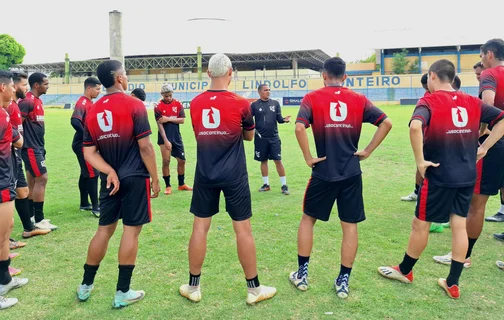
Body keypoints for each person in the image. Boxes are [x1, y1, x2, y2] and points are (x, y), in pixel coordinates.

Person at [378, 59, 504, 299]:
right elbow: (501, 120)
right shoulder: (472, 102)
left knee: (420, 224)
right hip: (467, 175)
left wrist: (420, 161)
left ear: (433, 76)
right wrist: (485, 147)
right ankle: (452, 283)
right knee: (458, 225)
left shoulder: (428, 101)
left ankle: (405, 270)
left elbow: (415, 127)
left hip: (439, 175)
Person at [289, 57, 392, 299]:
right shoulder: (358, 98)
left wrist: (307, 157)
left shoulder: (312, 98)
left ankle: (302, 274)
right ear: (345, 77)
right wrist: (367, 151)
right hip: (351, 172)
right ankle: (343, 280)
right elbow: (386, 123)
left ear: (324, 75)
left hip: (323, 170)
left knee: (308, 220)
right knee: (350, 226)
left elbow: (298, 127)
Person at [180, 53, 276, 305]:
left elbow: (199, 134)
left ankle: (193, 286)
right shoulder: (241, 103)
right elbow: (248, 136)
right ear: (230, 73)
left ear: (208, 73)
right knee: (243, 230)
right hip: (234, 175)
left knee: (200, 228)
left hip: (205, 173)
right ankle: (254, 289)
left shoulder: (197, 103)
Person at [75, 60, 160, 308]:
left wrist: (109, 170)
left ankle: (85, 286)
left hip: (109, 180)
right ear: (120, 78)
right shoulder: (135, 105)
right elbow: (145, 147)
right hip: (135, 177)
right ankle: (122, 291)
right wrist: (155, 178)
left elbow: (88, 152)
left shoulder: (91, 110)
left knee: (104, 229)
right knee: (131, 230)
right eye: (125, 74)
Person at [434, 39, 504, 267]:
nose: (481, 60)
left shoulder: (490, 74)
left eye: (482, 55)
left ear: (490, 54)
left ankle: (464, 256)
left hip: (497, 144)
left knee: (477, 203)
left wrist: (482, 141)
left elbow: (488, 107)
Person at [0, 70, 28, 310]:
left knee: (5, 232)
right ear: (2, 87)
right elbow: (18, 141)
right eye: (12, 87)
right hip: (0, 181)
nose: (15, 91)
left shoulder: (3, 112)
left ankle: (5, 280)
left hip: (6, 179)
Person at [18, 72, 57, 231]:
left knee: (33, 181)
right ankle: (39, 220)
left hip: (38, 147)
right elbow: (17, 126)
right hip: (31, 148)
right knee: (42, 178)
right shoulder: (27, 101)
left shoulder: (37, 101)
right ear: (36, 85)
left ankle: (33, 216)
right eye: (46, 84)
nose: (48, 86)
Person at [251, 84, 291, 194]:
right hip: (260, 139)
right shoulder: (254, 105)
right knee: (263, 160)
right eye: (265, 90)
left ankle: (284, 185)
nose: (268, 92)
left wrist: (284, 119)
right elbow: (248, 120)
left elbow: (279, 119)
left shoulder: (275, 103)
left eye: (269, 90)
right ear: (259, 92)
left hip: (274, 138)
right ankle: (266, 184)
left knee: (278, 160)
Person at [71, 77, 101, 217]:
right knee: (92, 173)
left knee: (86, 173)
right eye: (97, 89)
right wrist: (87, 136)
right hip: (82, 144)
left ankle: (84, 203)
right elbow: (75, 121)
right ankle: (96, 207)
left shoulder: (90, 102)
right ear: (89, 88)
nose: (99, 92)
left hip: (84, 144)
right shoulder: (82, 102)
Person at [154, 84, 192, 195]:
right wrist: (166, 140)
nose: (169, 98)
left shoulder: (178, 104)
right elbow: (160, 124)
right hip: (164, 137)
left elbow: (182, 120)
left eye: (170, 95)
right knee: (166, 161)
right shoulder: (158, 106)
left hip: (176, 137)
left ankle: (181, 184)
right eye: (166, 96)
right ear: (162, 95)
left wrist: (168, 119)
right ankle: (168, 186)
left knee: (182, 160)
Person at [401, 74, 430, 202]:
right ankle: (418, 193)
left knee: (423, 165)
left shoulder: (427, 99)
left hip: (431, 139)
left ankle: (421, 193)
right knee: (422, 165)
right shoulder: (427, 99)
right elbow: (415, 125)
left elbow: (413, 126)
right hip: (427, 138)